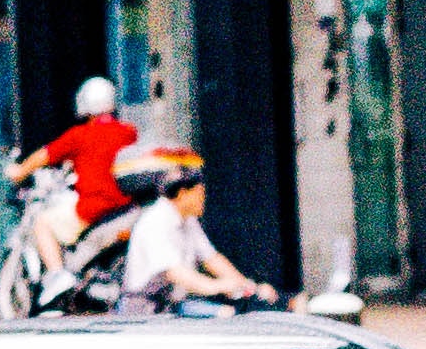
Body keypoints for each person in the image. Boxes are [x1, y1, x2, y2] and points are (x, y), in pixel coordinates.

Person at [115, 168, 268, 315]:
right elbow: (175, 273)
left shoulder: (188, 219)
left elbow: (211, 258)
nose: (204, 199)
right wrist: (216, 286)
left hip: (175, 304)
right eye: (200, 193)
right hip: (145, 309)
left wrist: (247, 286)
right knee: (223, 313)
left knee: (235, 310)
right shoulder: (155, 221)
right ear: (183, 194)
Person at [14, 76, 147, 230]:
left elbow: (44, 155)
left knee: (42, 225)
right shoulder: (129, 132)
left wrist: (20, 171)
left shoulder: (79, 135)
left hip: (93, 211)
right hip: (126, 207)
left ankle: (54, 256)